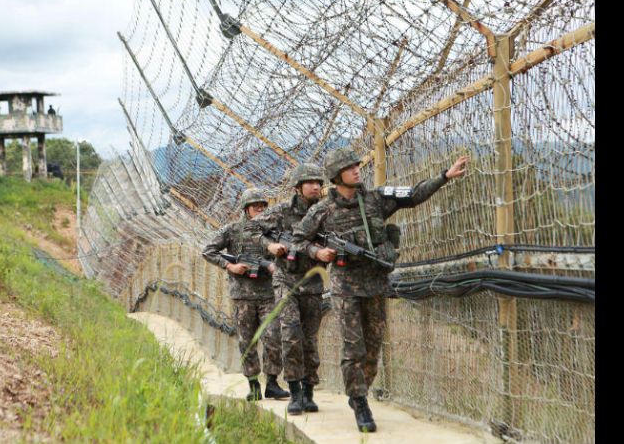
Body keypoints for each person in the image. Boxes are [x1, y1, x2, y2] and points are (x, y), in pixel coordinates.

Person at [292, 147, 469, 432]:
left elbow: (412, 195)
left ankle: (360, 389)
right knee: (353, 346)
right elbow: (297, 240)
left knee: (373, 348)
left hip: (375, 285)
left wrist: (444, 176)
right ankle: (360, 401)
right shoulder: (322, 211)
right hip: (345, 288)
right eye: (349, 167)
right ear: (336, 176)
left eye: (356, 165)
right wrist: (317, 252)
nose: (356, 170)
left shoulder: (375, 199)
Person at [247, 163, 327, 415]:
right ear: (298, 187)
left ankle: (309, 392)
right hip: (286, 281)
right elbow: (249, 229)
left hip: (313, 282)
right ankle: (294, 392)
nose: (316, 186)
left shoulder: (325, 211)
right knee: (291, 336)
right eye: (310, 182)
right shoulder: (281, 212)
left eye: (319, 182)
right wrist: (269, 246)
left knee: (310, 339)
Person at [201, 188, 290, 401]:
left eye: (263, 206)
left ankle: (272, 382)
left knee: (273, 337)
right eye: (255, 206)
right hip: (242, 295)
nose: (260, 209)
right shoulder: (232, 231)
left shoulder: (273, 232)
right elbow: (208, 251)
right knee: (247, 340)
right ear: (246, 209)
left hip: (269, 293)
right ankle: (253, 384)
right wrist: (229, 266)